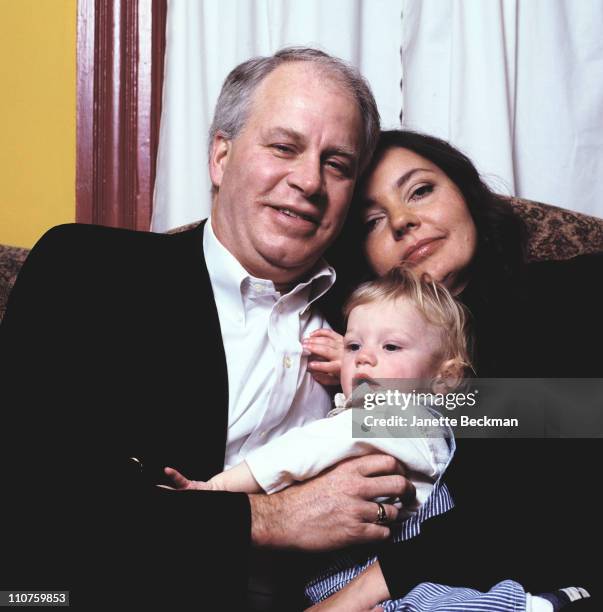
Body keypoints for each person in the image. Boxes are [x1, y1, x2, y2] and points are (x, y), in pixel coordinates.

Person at [0, 48, 418, 611]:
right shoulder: (91, 270)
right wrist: (270, 517)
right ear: (221, 156)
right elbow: (30, 501)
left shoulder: (376, 317)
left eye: (337, 164)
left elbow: (541, 419)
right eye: (284, 147)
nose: (309, 181)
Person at [163, 268, 590, 612]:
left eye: (390, 346)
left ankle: (531, 606)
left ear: (444, 380)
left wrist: (214, 493)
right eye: (353, 345)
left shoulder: (391, 419)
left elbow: (295, 454)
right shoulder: (415, 421)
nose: (365, 357)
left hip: (398, 585)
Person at [309, 129, 602, 609]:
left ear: (465, 193)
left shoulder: (580, 288)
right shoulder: (369, 367)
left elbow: (575, 420)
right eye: (372, 221)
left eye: (420, 191)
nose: (403, 221)